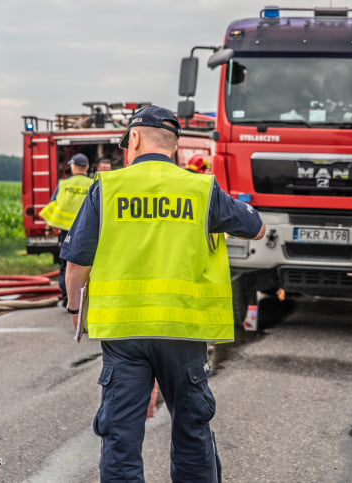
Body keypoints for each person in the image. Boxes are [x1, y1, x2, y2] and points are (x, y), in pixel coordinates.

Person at [61, 105, 265, 482]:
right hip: (183, 332)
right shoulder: (202, 190)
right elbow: (257, 228)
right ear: (174, 148)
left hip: (124, 333)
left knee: (120, 436)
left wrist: (76, 309)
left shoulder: (106, 188)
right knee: (191, 430)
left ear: (134, 139)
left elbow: (77, 266)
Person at [39, 153, 92, 306]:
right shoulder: (94, 183)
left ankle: (67, 296)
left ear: (73, 167)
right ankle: (87, 296)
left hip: (66, 232)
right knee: (89, 264)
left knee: (66, 264)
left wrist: (48, 226)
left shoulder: (63, 185)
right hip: (88, 231)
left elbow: (53, 206)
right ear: (87, 167)